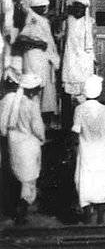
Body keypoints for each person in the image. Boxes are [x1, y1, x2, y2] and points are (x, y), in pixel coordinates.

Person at [0, 73, 45, 225]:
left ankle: (15, 209)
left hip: (14, 143)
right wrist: (42, 139)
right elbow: (37, 129)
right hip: (29, 145)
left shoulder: (11, 101)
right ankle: (22, 212)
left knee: (17, 177)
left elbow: (3, 125)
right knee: (29, 180)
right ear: (32, 90)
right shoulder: (31, 106)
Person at [72, 75, 105, 224]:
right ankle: (100, 218)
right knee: (102, 182)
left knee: (85, 182)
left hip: (86, 151)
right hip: (103, 151)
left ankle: (87, 217)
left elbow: (75, 132)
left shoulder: (79, 109)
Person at [61, 0, 96, 98]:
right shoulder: (68, 20)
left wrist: (94, 58)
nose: (78, 10)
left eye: (81, 7)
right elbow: (59, 35)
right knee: (69, 88)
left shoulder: (91, 22)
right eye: (76, 7)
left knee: (85, 88)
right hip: (71, 58)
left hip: (85, 59)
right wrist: (63, 16)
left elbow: (93, 41)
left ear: (85, 9)